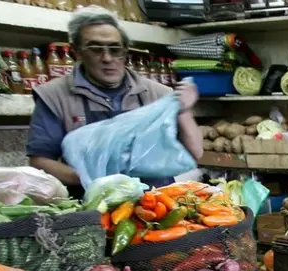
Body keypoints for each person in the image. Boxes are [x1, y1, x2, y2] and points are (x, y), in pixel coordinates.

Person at [27, 7, 203, 195]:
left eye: (115, 49)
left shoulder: (157, 94)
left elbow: (195, 152)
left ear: (125, 51)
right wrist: (90, 179)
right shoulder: (54, 95)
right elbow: (40, 160)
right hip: (93, 204)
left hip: (156, 202)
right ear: (77, 52)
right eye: (95, 49)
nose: (107, 58)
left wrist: (184, 110)